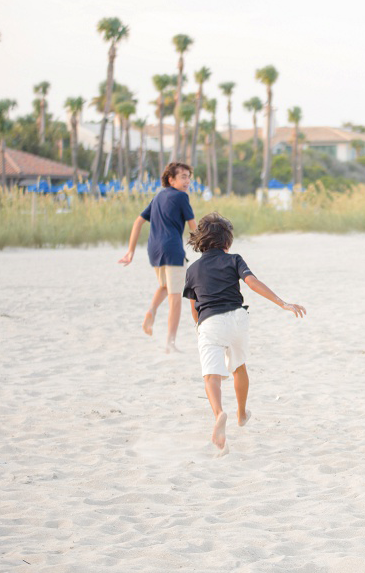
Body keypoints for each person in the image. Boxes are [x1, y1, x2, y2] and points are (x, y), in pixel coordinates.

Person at [183, 213, 306, 450]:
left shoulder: (192, 270)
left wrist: (200, 328)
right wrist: (283, 303)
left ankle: (219, 413)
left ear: (201, 241)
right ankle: (241, 414)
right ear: (227, 242)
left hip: (209, 322)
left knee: (211, 375)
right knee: (238, 367)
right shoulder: (234, 259)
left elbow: (194, 308)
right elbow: (251, 282)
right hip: (238, 319)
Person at [119, 162, 197, 353]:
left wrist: (131, 251)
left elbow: (138, 222)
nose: (187, 180)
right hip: (172, 250)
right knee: (176, 298)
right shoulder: (181, 197)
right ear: (171, 179)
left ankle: (151, 311)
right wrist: (207, 247)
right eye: (183, 177)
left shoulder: (158, 196)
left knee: (165, 286)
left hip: (154, 250)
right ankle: (170, 343)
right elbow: (193, 226)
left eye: (188, 176)